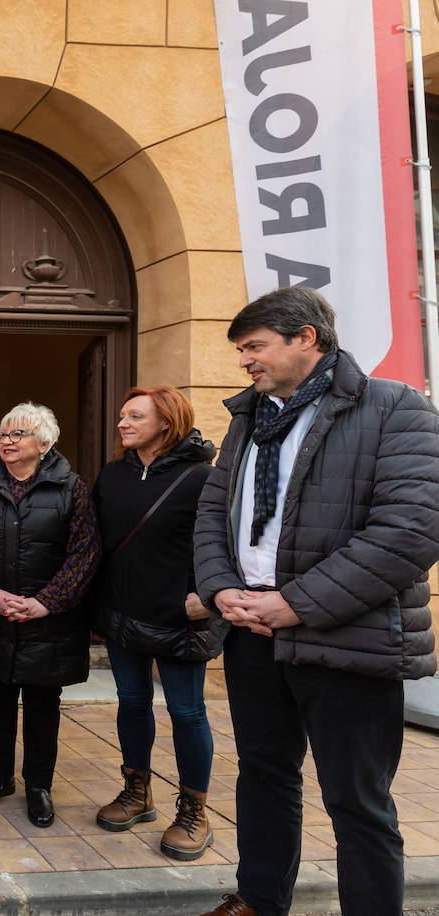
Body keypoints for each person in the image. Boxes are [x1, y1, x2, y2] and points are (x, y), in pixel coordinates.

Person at [193, 288, 439, 916]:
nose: (245, 361)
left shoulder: (395, 408)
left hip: (346, 640)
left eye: (255, 347)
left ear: (306, 337)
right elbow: (212, 513)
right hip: (251, 635)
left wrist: (295, 604)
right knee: (264, 777)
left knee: (358, 803)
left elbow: (410, 530)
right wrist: (223, 588)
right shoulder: (248, 417)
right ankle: (259, 900)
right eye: (241, 350)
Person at [0, 402, 99, 828]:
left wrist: (46, 601)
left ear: (44, 443)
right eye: (2, 433)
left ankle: (38, 785)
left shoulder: (72, 489)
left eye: (18, 434)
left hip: (49, 619)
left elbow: (85, 553)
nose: (6, 441)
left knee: (42, 703)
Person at [89, 386, 220, 860]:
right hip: (122, 615)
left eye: (134, 416)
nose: (122, 423)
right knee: (132, 702)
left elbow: (227, 543)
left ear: (166, 423)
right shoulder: (112, 475)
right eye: (122, 415)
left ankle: (194, 812)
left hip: (179, 617)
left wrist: (209, 598)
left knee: (186, 713)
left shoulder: (203, 477)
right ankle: (137, 793)